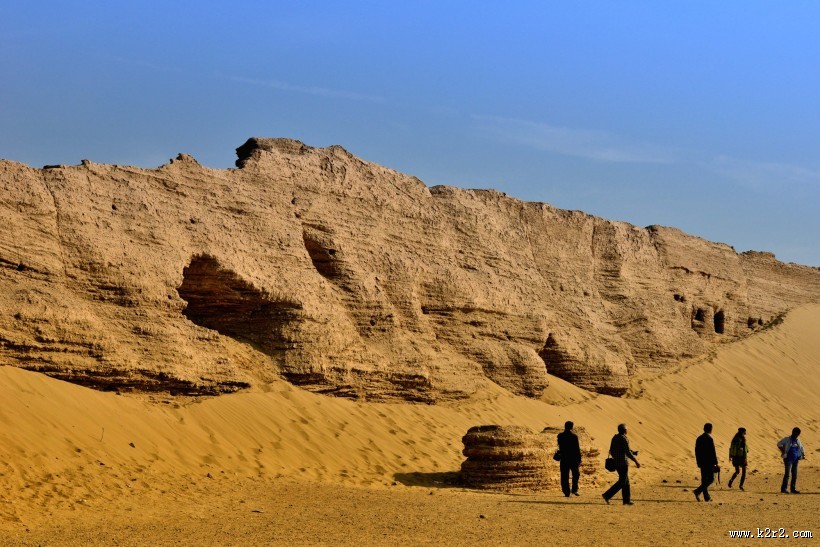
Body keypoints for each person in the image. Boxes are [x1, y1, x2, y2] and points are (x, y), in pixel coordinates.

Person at [602, 423, 640, 505]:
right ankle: (607, 495)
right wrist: (636, 461)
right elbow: (627, 452)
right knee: (622, 481)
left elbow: (612, 450)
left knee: (626, 482)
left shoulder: (614, 437)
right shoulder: (624, 438)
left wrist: (633, 452)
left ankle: (626, 500)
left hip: (617, 463)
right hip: (623, 463)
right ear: (625, 430)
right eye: (626, 429)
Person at [556, 421, 582, 497]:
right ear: (571, 427)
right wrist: (579, 459)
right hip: (573, 459)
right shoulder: (574, 436)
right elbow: (577, 449)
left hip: (564, 458)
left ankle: (566, 492)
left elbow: (559, 445)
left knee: (564, 475)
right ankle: (574, 489)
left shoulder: (560, 436)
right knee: (576, 474)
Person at [694, 423, 718, 502]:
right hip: (709, 462)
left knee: (704, 479)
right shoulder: (709, 439)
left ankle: (706, 497)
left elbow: (696, 451)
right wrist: (716, 462)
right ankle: (697, 491)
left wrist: (698, 462)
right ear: (710, 429)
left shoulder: (699, 438)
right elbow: (712, 452)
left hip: (702, 462)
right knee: (711, 479)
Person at [777, 427, 806, 494]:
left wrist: (803, 455)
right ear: (792, 432)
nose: (796, 435)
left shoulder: (798, 441)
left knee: (794, 474)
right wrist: (783, 451)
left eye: (797, 434)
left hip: (795, 459)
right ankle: (784, 489)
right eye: (795, 433)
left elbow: (801, 448)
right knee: (787, 474)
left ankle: (793, 489)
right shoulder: (787, 439)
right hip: (788, 459)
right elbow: (779, 444)